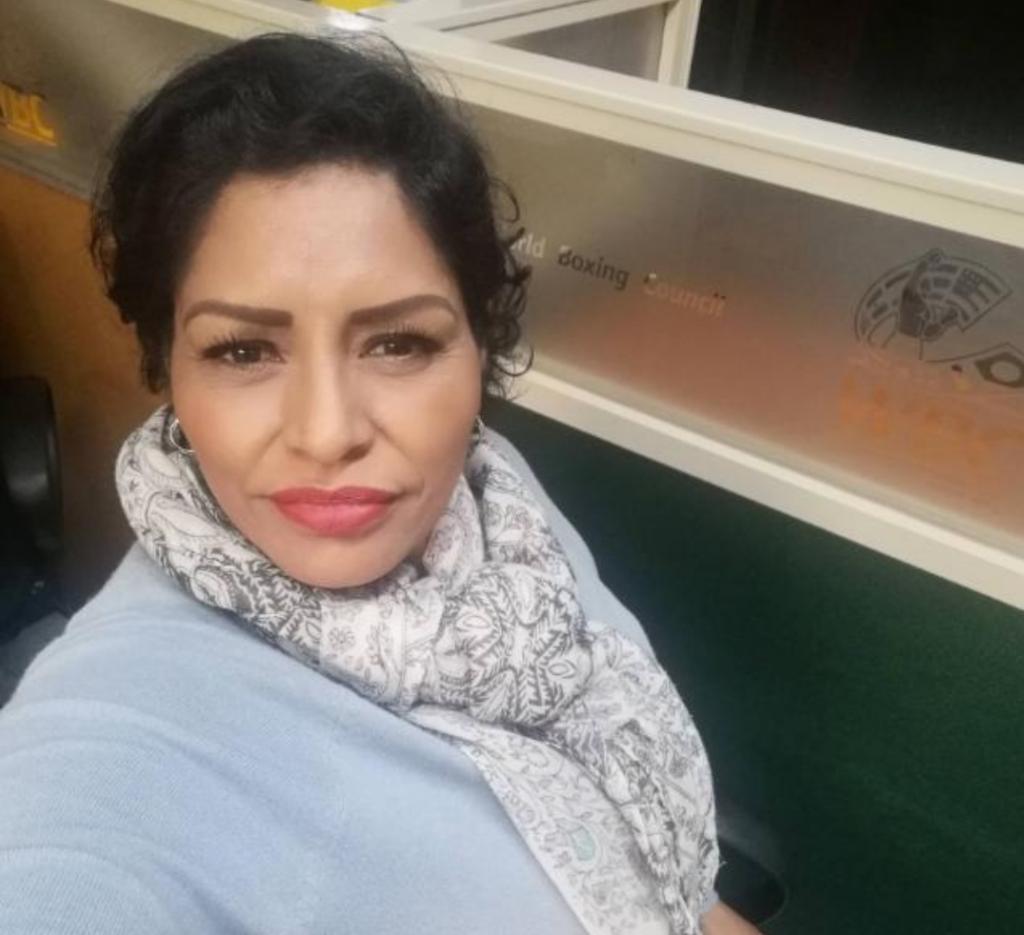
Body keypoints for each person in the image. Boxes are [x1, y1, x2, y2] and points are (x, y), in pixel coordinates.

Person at [0, 32, 759, 935]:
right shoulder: (115, 732)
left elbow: (692, 895)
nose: (328, 434)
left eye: (399, 343)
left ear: (476, 346)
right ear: (167, 369)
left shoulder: (488, 500)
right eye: (242, 350)